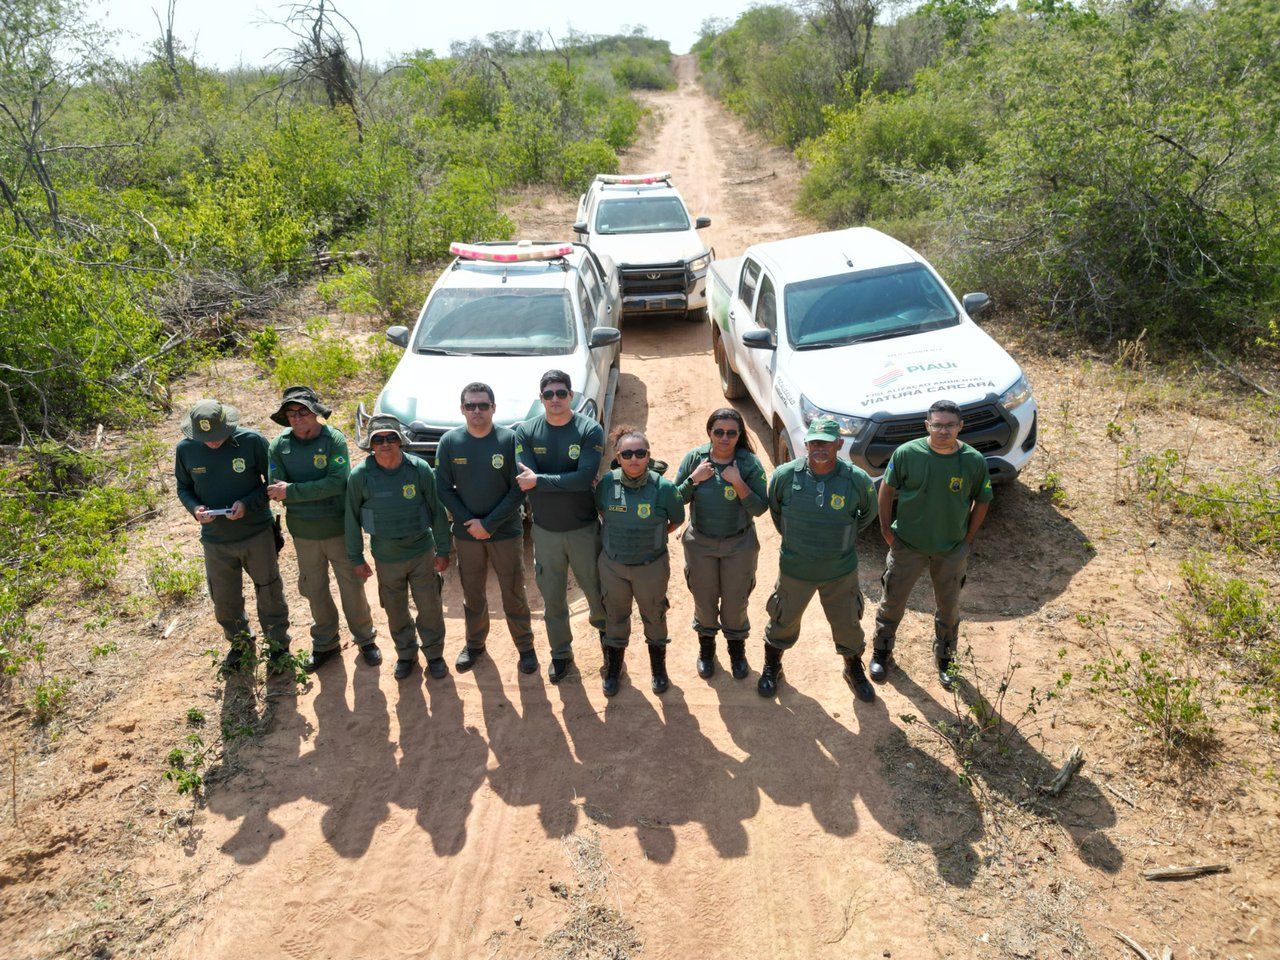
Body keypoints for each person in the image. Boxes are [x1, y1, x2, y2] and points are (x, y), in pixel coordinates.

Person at [872, 399, 993, 689]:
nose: (943, 430)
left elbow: (983, 500)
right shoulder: (907, 453)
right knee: (892, 601)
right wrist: (887, 531)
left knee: (949, 608)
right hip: (908, 545)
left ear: (960, 426)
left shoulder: (973, 461)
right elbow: (886, 490)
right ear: (927, 425)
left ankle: (946, 659)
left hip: (950, 549)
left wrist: (967, 540)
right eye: (937, 424)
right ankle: (881, 652)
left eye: (949, 425)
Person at [759, 418, 877, 701]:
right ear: (806, 443)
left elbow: (867, 514)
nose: (819, 448)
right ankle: (772, 666)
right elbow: (777, 513)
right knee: (782, 618)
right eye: (814, 442)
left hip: (839, 570)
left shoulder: (856, 480)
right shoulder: (786, 476)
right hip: (795, 569)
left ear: (839, 444)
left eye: (826, 442)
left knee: (848, 622)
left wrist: (841, 539)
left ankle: (852, 669)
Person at [267, 386, 380, 672]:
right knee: (314, 589)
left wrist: (292, 491)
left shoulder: (334, 440)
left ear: (315, 412)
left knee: (351, 587)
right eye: (291, 413)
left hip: (338, 528)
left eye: (303, 411)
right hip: (304, 533)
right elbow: (274, 488)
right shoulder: (280, 445)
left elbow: (337, 482)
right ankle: (325, 643)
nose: (297, 417)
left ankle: (365, 639)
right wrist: (293, 491)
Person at [174, 398, 291, 674]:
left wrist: (247, 504)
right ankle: (239, 643)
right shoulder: (186, 450)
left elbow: (272, 484)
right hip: (216, 540)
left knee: (269, 589)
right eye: (206, 438)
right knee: (224, 598)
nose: (212, 442)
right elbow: (183, 487)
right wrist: (195, 509)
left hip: (256, 534)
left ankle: (278, 646)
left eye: (217, 436)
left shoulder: (252, 442)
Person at [435, 382, 536, 675]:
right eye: (470, 405)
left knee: (513, 589)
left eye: (482, 405)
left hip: (505, 531)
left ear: (494, 407)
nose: (476, 411)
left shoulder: (509, 440)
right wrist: (471, 523)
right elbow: (443, 488)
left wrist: (489, 524)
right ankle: (475, 644)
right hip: (467, 534)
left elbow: (519, 488)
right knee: (472, 591)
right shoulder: (451, 442)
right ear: (462, 409)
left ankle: (525, 646)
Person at [514, 370, 607, 683]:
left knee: (597, 592)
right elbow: (526, 483)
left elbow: (583, 479)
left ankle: (610, 648)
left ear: (571, 396)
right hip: (545, 531)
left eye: (561, 393)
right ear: (541, 398)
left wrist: (540, 480)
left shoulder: (589, 430)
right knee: (552, 598)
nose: (555, 399)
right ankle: (561, 654)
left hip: (583, 528)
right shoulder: (525, 432)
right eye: (549, 394)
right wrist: (557, 481)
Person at [345, 415, 453, 681]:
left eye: (391, 437)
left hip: (421, 552)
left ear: (400, 441)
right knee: (395, 608)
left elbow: (437, 512)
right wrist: (356, 557)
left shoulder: (418, 469)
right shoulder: (360, 476)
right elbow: (351, 518)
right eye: (378, 439)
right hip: (386, 556)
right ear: (370, 445)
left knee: (429, 605)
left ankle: (435, 654)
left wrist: (443, 550)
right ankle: (406, 655)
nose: (385, 443)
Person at [674, 408, 768, 681]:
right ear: (709, 432)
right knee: (703, 599)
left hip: (738, 544)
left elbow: (760, 508)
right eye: (719, 432)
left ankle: (736, 651)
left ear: (739, 435)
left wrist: (738, 483)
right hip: (700, 544)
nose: (725, 438)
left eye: (731, 433)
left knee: (735, 602)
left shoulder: (748, 464)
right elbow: (673, 498)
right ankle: (706, 651)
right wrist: (694, 479)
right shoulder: (695, 459)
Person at [595, 426, 685, 697]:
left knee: (654, 615)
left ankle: (658, 670)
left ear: (648, 456)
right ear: (618, 457)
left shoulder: (665, 488)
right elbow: (602, 511)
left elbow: (677, 520)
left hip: (651, 567)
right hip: (613, 566)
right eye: (627, 454)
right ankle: (614, 669)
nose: (634, 459)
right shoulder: (607, 484)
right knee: (615, 615)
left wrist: (652, 538)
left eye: (640, 453)